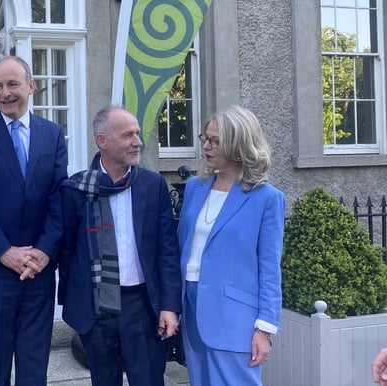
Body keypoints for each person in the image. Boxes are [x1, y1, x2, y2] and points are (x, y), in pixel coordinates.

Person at [0, 55, 68, 385]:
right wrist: (5, 252)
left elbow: (59, 197)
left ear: (31, 87)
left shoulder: (52, 134)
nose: (5, 93)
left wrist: (44, 251)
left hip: (39, 269)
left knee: (35, 362)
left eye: (12, 84)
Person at [58, 105, 181, 386]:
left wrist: (169, 306)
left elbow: (167, 251)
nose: (137, 142)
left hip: (142, 305)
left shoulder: (153, 185)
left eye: (137, 134)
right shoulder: (76, 189)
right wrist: (74, 300)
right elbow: (67, 252)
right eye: (128, 135)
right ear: (102, 141)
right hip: (96, 307)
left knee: (149, 380)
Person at [178, 105, 285, 385]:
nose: (206, 146)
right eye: (206, 138)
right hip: (191, 305)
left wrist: (265, 329)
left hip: (235, 316)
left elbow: (270, 268)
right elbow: (182, 246)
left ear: (238, 146)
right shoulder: (195, 187)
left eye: (215, 141)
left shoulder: (266, 198)